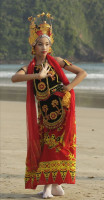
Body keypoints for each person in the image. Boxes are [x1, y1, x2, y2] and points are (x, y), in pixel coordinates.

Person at [11, 12, 87, 199]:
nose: (44, 47)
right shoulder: (29, 67)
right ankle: (55, 186)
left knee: (57, 147)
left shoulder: (58, 62)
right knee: (46, 147)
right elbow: (15, 78)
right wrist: (38, 76)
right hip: (45, 114)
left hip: (62, 110)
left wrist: (68, 87)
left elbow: (82, 73)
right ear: (33, 46)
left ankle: (48, 188)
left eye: (47, 44)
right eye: (40, 44)